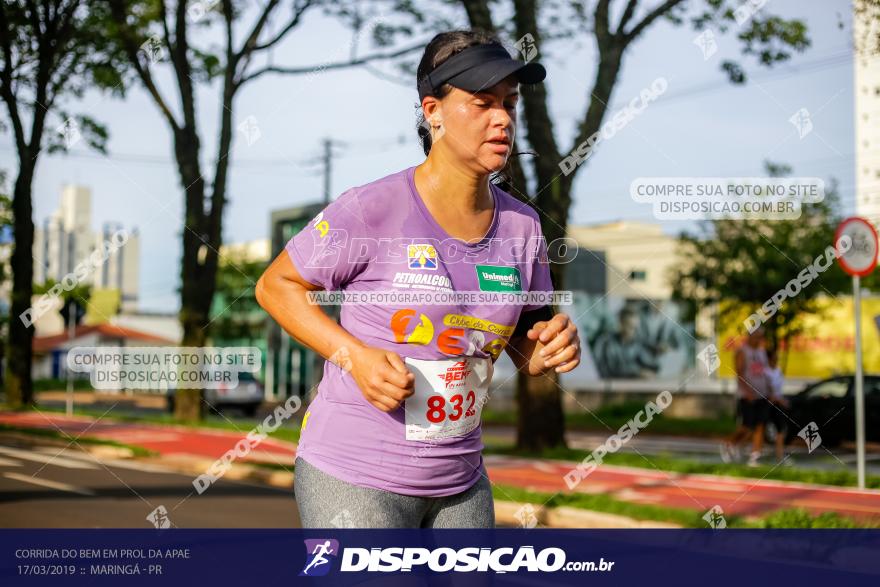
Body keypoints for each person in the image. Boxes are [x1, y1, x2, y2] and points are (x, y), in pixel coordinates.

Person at [256, 29, 582, 528]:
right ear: (433, 111)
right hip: (353, 474)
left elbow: (525, 344)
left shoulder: (523, 226)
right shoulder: (374, 208)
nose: (502, 119)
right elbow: (276, 286)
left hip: (461, 484)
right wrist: (354, 357)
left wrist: (549, 349)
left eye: (510, 104)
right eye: (482, 103)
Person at [720, 327, 770, 467]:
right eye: (756, 337)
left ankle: (755, 456)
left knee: (761, 425)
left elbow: (765, 373)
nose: (759, 340)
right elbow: (739, 374)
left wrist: (770, 390)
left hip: (762, 394)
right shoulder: (742, 351)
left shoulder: (761, 352)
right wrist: (748, 391)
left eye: (760, 337)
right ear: (750, 336)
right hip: (747, 396)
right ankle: (729, 443)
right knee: (747, 427)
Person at [764, 348, 792, 465]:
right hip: (767, 403)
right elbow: (768, 391)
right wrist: (780, 400)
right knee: (756, 428)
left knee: (781, 429)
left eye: (777, 358)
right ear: (769, 359)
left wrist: (781, 399)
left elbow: (778, 389)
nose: (776, 360)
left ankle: (780, 456)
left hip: (778, 404)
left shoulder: (778, 370)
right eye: (774, 358)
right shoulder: (765, 372)